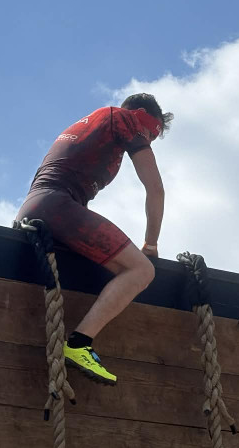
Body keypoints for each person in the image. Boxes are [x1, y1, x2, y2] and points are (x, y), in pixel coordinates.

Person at [16, 93, 172, 386]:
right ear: (140, 114)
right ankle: (79, 344)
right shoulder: (123, 119)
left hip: (38, 206)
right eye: (152, 132)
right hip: (57, 206)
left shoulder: (92, 123)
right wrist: (150, 246)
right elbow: (156, 189)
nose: (149, 140)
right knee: (141, 270)